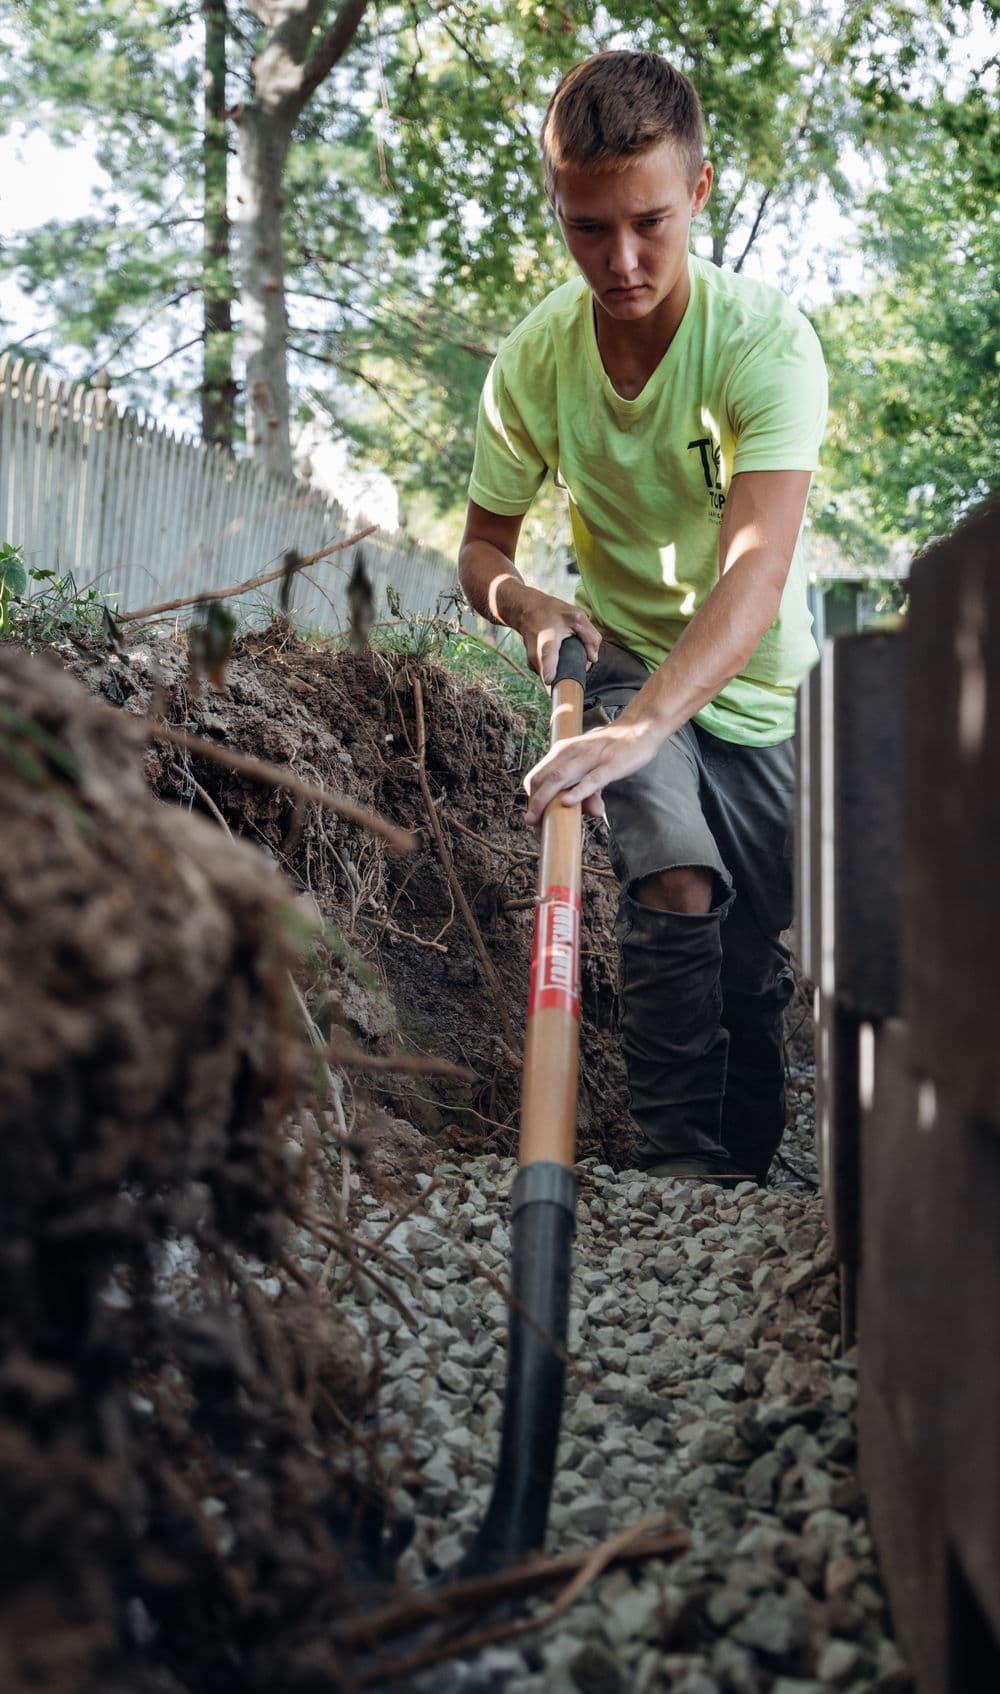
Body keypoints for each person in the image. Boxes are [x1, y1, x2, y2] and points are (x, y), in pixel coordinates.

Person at [457, 50, 827, 1185]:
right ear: (559, 212)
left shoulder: (765, 342)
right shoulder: (531, 365)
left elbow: (755, 574)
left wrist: (650, 725)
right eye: (586, 229)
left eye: (650, 223)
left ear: (700, 191)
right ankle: (678, 1166)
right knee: (673, 879)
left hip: (760, 685)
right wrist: (521, 603)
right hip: (622, 662)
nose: (619, 260)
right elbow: (480, 549)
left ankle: (749, 1184)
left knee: (750, 956)